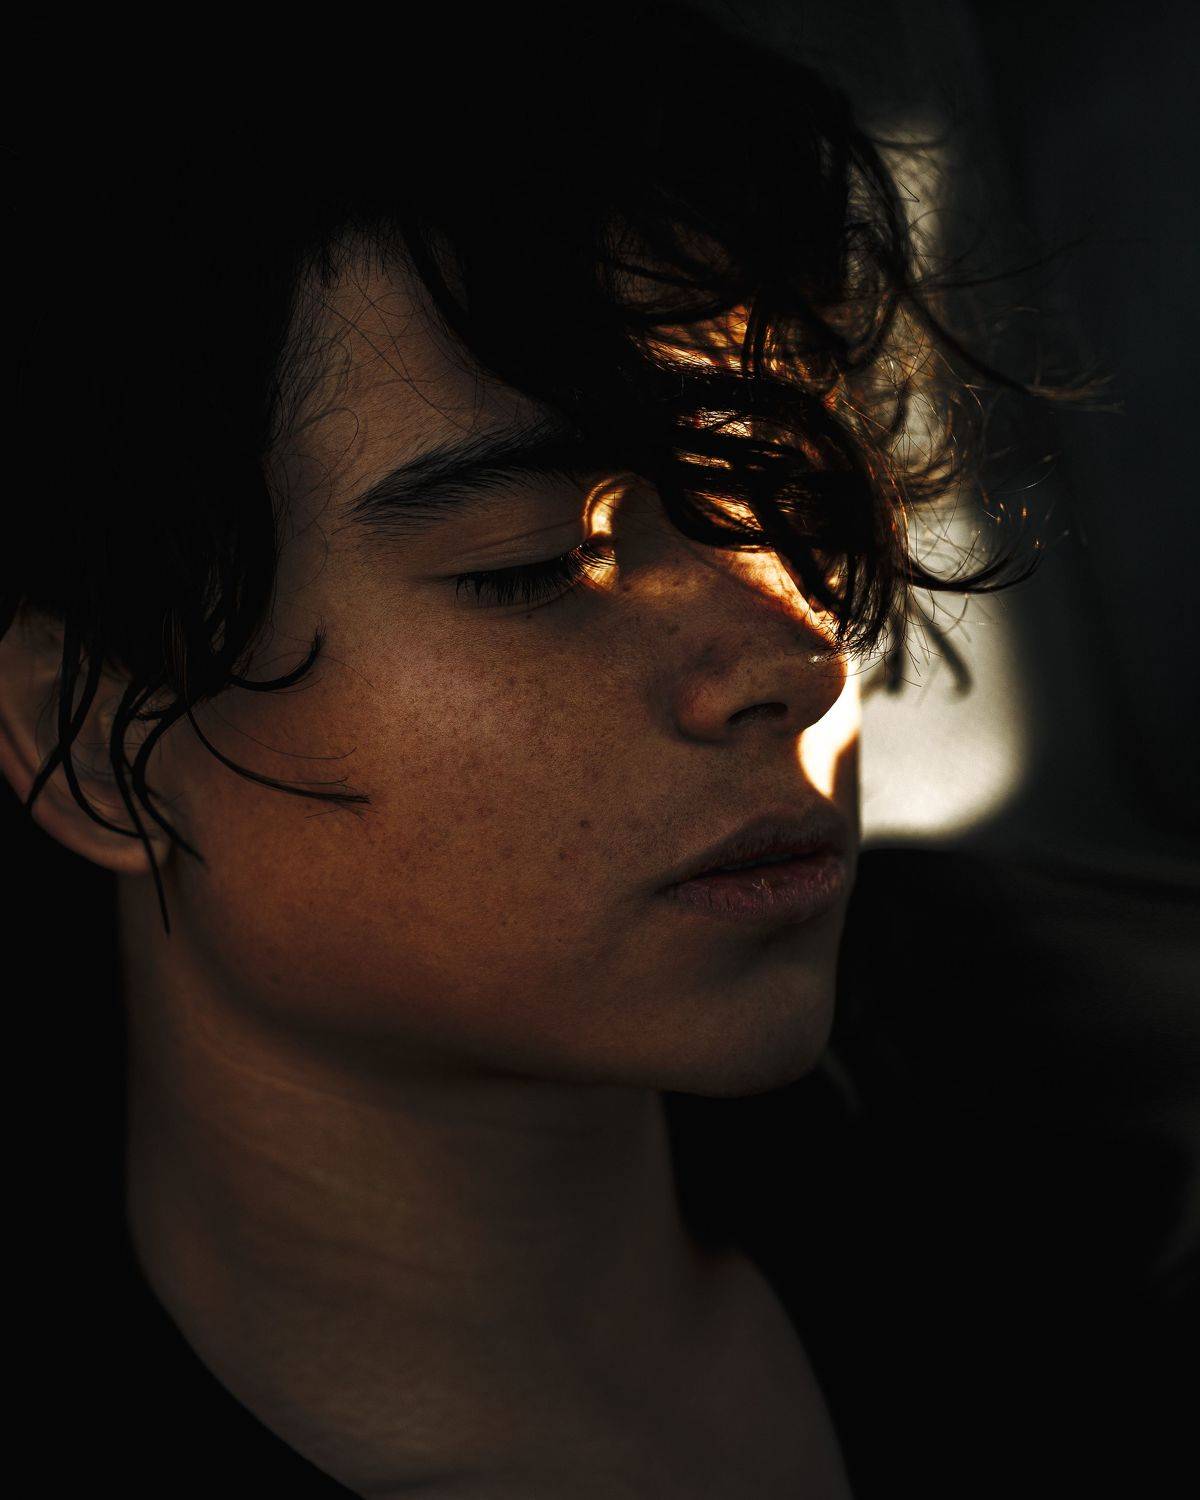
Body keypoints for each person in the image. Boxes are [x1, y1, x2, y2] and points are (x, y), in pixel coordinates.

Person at [1, 6, 1048, 1495]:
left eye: (791, 502)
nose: (798, 660)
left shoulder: (1102, 1179)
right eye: (533, 563)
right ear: (94, 742)